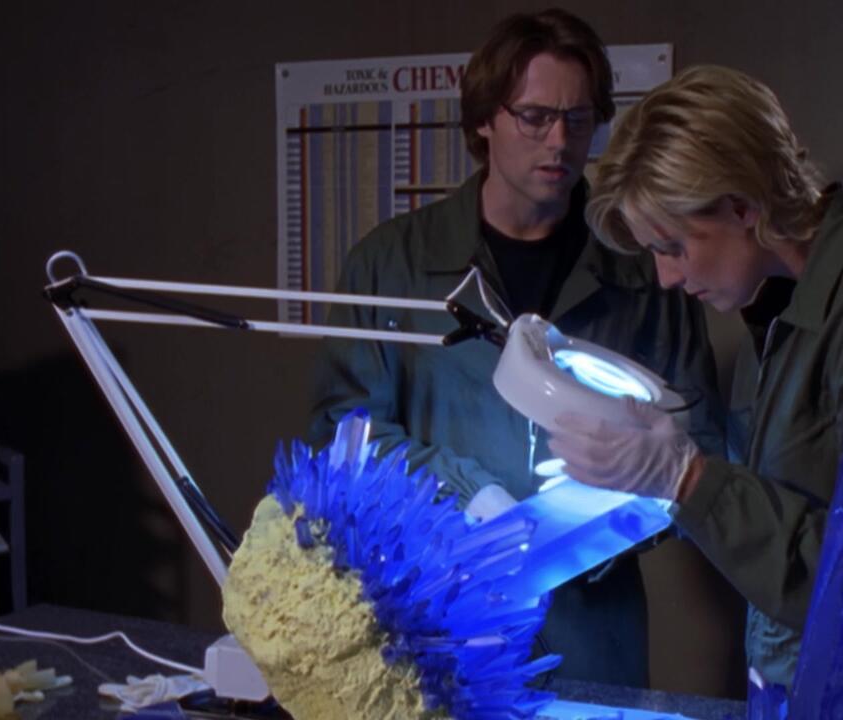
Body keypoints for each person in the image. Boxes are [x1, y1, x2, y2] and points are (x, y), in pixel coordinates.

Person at [548, 64, 843, 718]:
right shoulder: (783, 309)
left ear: (742, 206)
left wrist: (689, 480)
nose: (666, 277)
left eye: (673, 246)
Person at [307, 9, 723, 688]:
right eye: (534, 117)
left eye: (579, 120)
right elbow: (342, 433)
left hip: (593, 629)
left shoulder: (647, 269)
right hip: (443, 614)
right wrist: (470, 496)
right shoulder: (392, 266)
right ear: (483, 120)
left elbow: (701, 443)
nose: (559, 141)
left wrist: (605, 527)